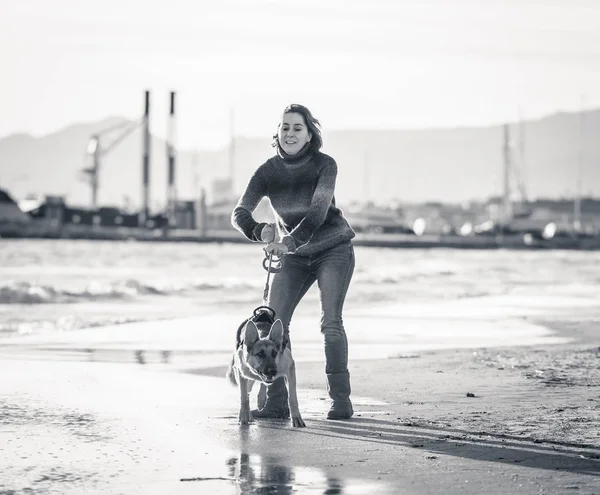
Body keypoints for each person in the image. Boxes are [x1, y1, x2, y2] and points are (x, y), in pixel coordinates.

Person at [231, 103, 356, 420]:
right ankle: (275, 403)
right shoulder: (267, 172)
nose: (290, 133)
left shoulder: (325, 165)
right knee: (275, 324)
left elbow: (317, 214)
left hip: (333, 248)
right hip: (294, 257)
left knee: (330, 324)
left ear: (309, 134)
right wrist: (260, 231)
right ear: (277, 133)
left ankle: (340, 400)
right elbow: (239, 213)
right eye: (285, 127)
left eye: (297, 128)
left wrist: (288, 241)